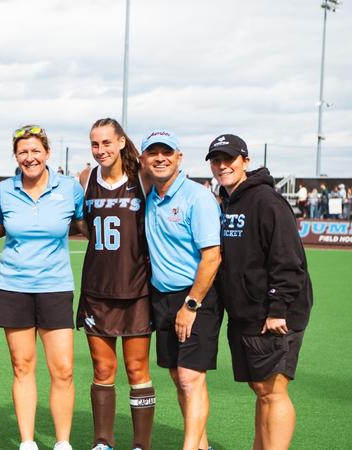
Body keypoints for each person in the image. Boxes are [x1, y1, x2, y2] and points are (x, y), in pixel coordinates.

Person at [206, 134, 312, 450]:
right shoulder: (227, 200)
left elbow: (288, 259)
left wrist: (278, 308)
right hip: (247, 312)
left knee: (273, 392)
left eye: (229, 159)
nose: (222, 166)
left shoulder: (266, 201)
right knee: (261, 389)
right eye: (216, 160)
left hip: (274, 314)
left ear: (245, 161)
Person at [0, 125, 85, 450]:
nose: (29, 158)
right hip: (13, 288)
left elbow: (86, 225)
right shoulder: (5, 190)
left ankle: (62, 443)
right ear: (15, 156)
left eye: (35, 151)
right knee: (22, 366)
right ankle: (27, 442)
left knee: (64, 370)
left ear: (47, 153)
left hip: (55, 288)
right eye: (23, 152)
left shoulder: (70, 188)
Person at [139, 130, 222, 450]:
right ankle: (201, 446)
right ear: (144, 159)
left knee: (190, 377)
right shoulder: (150, 196)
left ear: (179, 157)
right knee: (177, 376)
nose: (160, 158)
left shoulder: (197, 197)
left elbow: (212, 256)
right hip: (162, 297)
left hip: (195, 295)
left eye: (167, 152)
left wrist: (191, 304)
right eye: (153, 153)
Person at [76, 119, 154, 450]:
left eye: (106, 142)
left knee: (137, 368)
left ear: (121, 142)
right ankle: (103, 441)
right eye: (95, 144)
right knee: (103, 368)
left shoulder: (142, 176)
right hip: (97, 289)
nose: (100, 150)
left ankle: (141, 444)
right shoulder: (86, 177)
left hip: (136, 290)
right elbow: (83, 223)